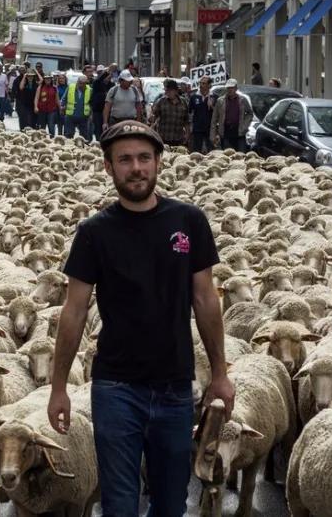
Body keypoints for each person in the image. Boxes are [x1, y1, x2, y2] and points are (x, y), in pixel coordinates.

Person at [47, 119, 233, 517]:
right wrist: (58, 386)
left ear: (159, 163)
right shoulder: (94, 233)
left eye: (145, 158)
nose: (136, 168)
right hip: (116, 387)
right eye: (125, 159)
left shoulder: (188, 222)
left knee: (170, 503)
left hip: (175, 386)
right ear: (108, 167)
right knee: (119, 504)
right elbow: (74, 310)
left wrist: (220, 373)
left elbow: (205, 299)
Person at [210, 78, 253, 153]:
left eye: (232, 88)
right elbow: (214, 118)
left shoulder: (242, 100)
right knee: (227, 154)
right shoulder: (220, 101)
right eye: (228, 88)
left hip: (239, 132)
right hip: (226, 132)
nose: (230, 90)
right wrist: (213, 135)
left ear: (236, 88)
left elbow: (249, 113)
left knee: (241, 154)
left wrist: (245, 125)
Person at [151, 78, 189, 148]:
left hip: (178, 139)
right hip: (163, 138)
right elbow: (153, 116)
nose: (167, 92)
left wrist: (187, 134)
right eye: (166, 90)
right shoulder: (161, 101)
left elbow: (186, 120)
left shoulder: (183, 102)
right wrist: (153, 130)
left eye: (169, 91)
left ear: (175, 91)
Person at [188, 76, 215, 154]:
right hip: (197, 129)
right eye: (200, 83)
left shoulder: (214, 97)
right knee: (196, 151)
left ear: (209, 85)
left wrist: (212, 106)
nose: (200, 85)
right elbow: (190, 112)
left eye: (203, 83)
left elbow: (218, 114)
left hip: (209, 129)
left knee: (211, 151)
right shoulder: (194, 96)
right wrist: (190, 126)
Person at [61, 75, 92, 141]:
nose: (82, 85)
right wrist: (62, 107)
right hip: (70, 116)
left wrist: (91, 114)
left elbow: (92, 103)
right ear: (77, 82)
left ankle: (83, 150)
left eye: (84, 83)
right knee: (68, 135)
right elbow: (64, 99)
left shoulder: (89, 90)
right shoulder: (70, 87)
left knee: (84, 136)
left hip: (83, 117)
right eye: (80, 83)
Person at [91, 66, 115, 141]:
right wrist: (108, 71)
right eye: (107, 76)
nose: (108, 77)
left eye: (110, 76)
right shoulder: (97, 84)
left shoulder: (112, 86)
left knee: (108, 130)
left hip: (108, 111)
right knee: (98, 129)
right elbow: (99, 79)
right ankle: (98, 143)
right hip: (98, 110)